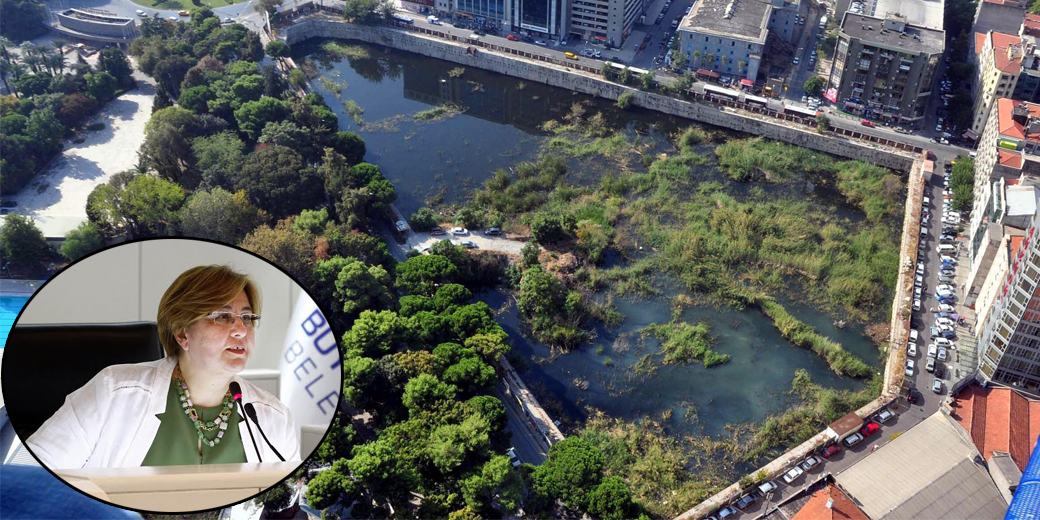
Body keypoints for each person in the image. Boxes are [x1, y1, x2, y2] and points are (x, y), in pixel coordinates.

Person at [26, 265, 300, 469]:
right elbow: (24, 479)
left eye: (248, 317)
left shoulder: (273, 420)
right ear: (182, 334)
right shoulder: (113, 394)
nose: (241, 330)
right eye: (223, 317)